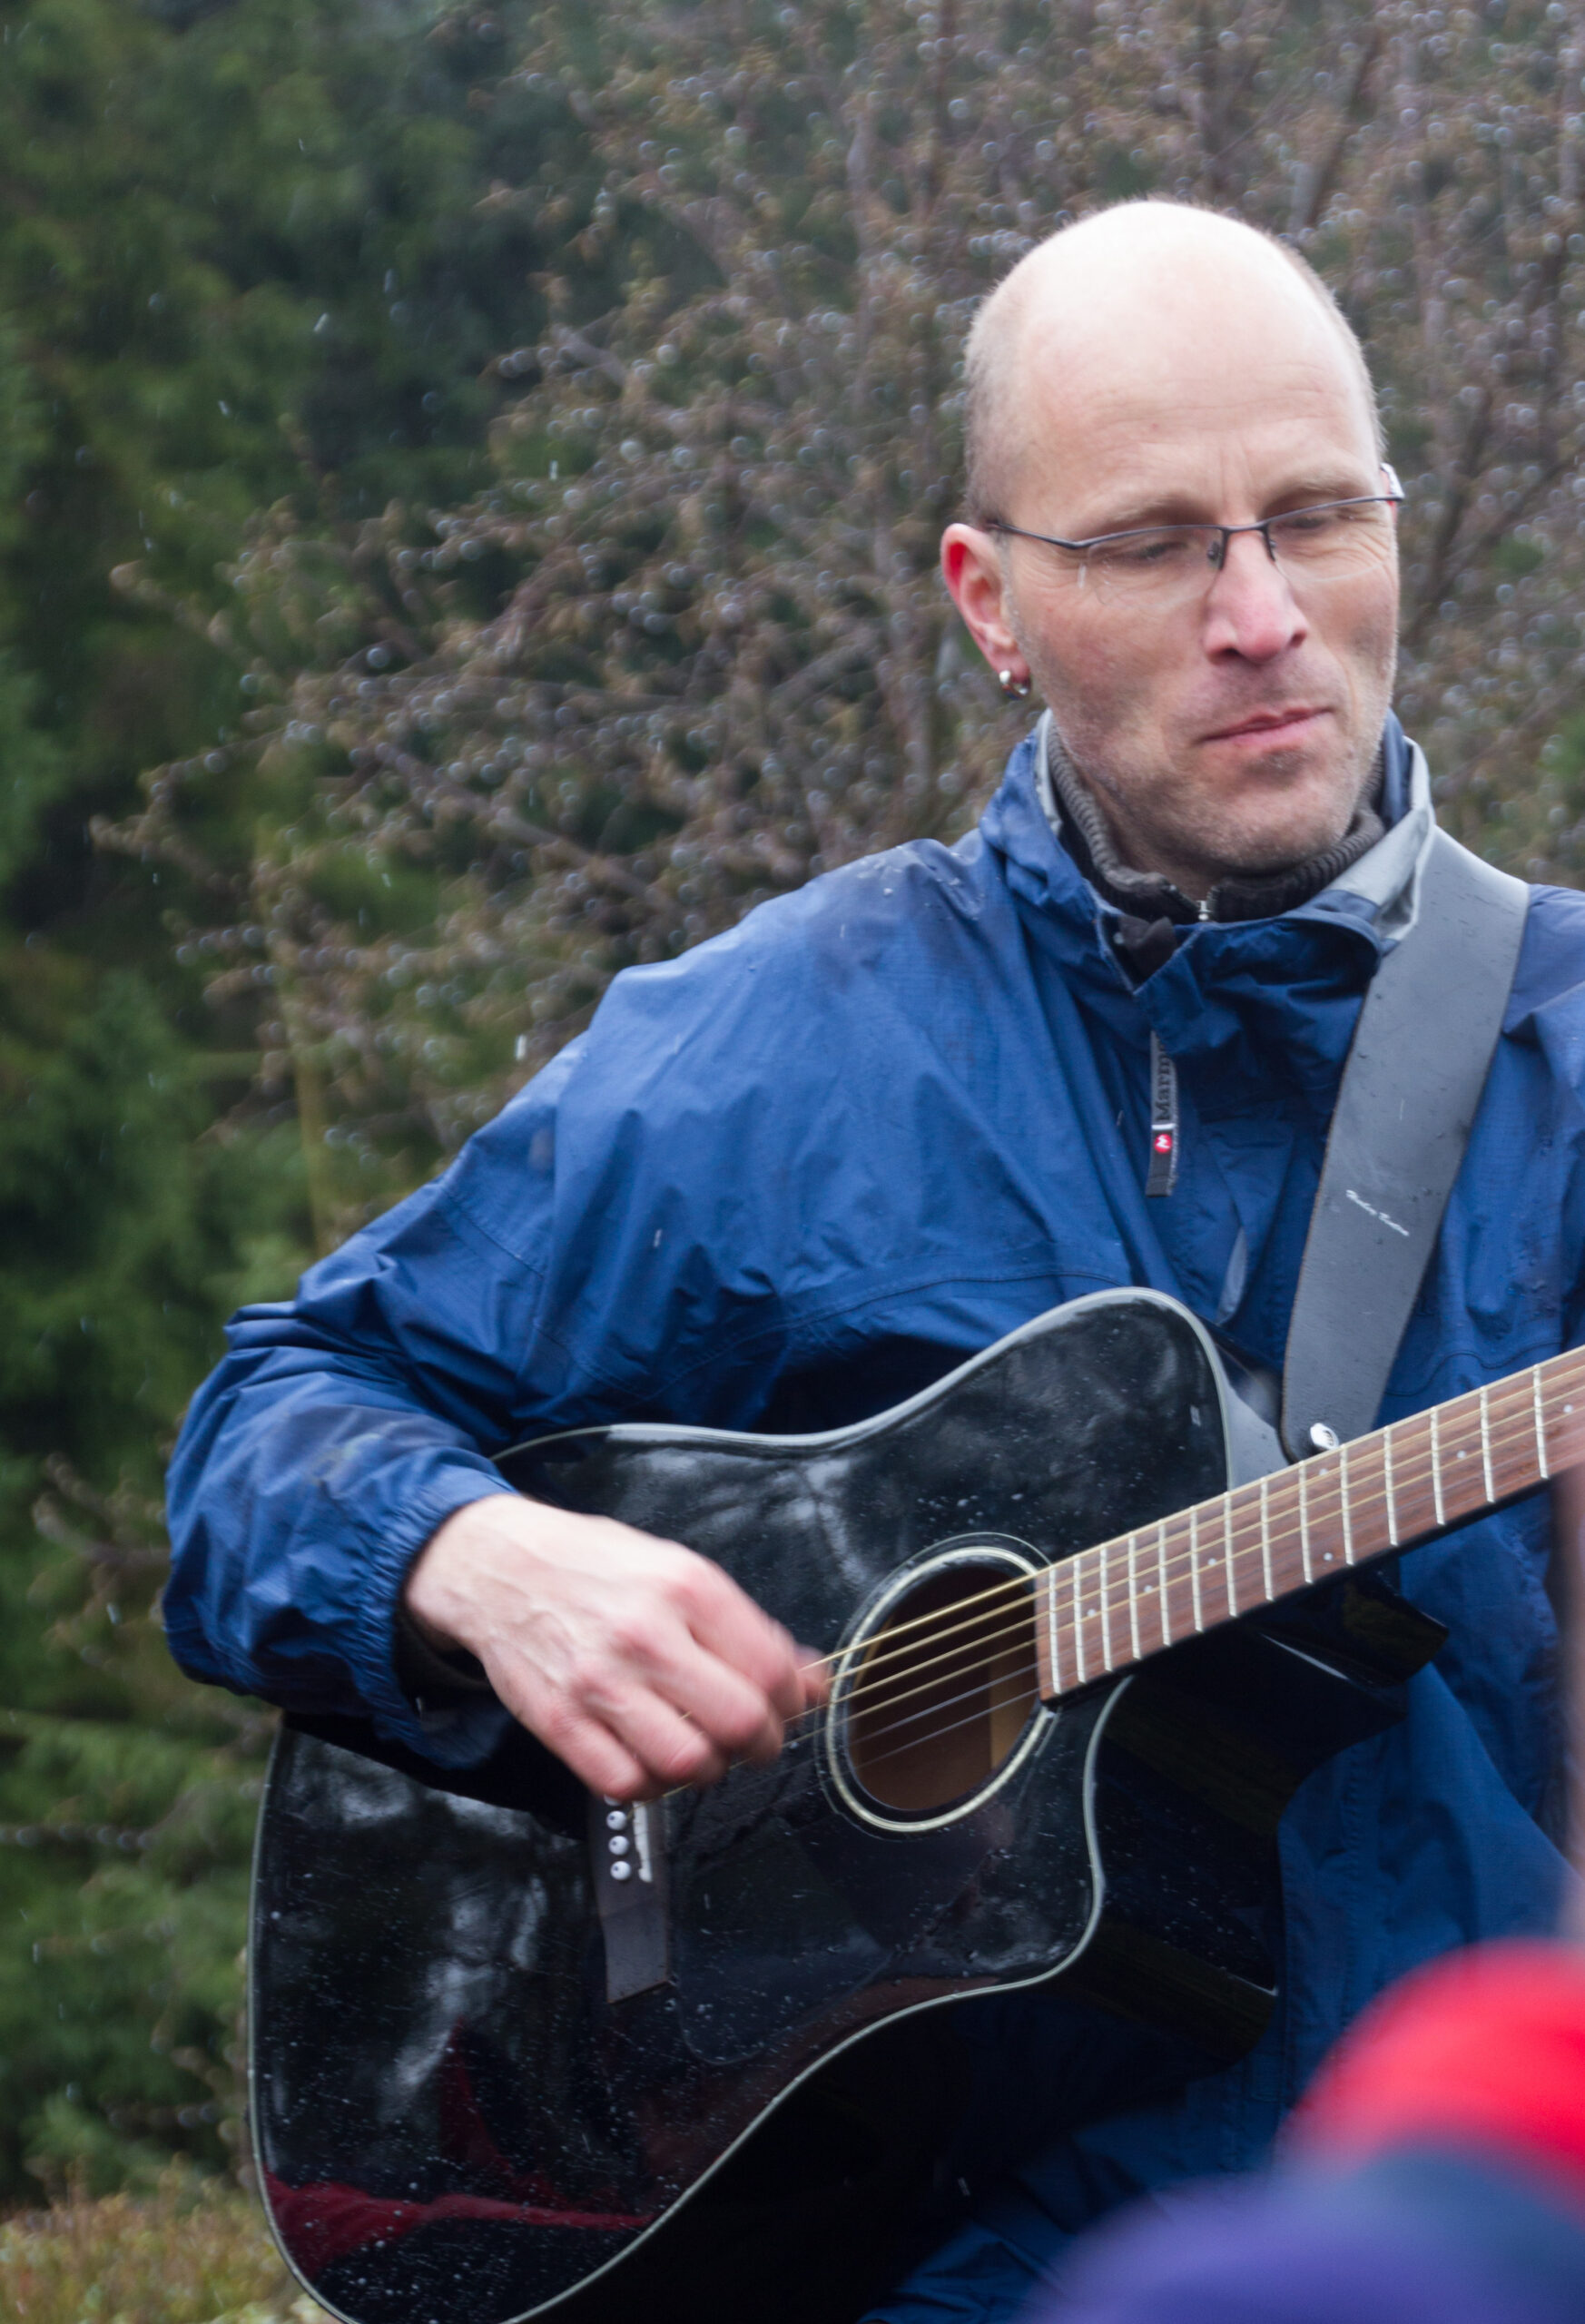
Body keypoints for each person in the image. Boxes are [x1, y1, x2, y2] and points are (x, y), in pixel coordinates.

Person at [164, 201, 1585, 2321]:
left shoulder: (1563, 1052)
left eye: (1314, 518)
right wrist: (476, 1557)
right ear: (989, 600)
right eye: (1155, 544)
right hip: (879, 2248)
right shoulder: (789, 1042)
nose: (1263, 613)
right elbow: (269, 1423)